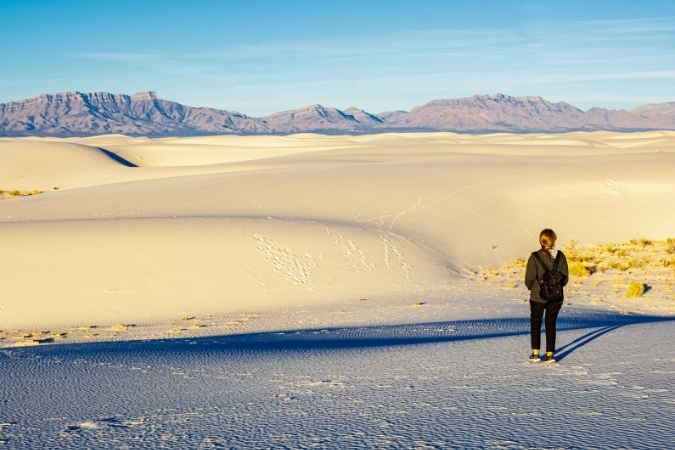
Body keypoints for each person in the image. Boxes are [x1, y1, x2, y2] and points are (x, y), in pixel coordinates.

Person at [524, 229, 569, 363]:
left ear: (541, 240)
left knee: (536, 323)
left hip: (538, 296)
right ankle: (550, 355)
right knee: (551, 324)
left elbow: (529, 279)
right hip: (556, 297)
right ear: (553, 240)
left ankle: (536, 353)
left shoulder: (534, 257)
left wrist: (534, 288)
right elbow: (565, 279)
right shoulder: (561, 256)